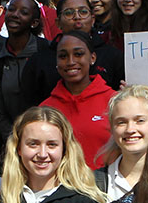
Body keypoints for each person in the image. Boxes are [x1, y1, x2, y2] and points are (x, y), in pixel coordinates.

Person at [21, 0, 125, 106]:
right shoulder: (39, 60)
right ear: (58, 23)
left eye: (83, 12)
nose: (77, 17)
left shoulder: (113, 56)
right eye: (69, 13)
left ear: (93, 19)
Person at [39, 31, 117, 168]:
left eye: (78, 54)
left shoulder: (114, 101)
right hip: (62, 186)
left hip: (107, 185)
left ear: (92, 58)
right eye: (63, 56)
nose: (70, 61)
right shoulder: (45, 109)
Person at [0, 0, 49, 140]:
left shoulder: (48, 51)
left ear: (34, 22)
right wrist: (14, 139)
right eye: (11, 10)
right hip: (12, 138)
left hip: (48, 134)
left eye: (23, 12)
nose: (15, 15)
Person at [93, 84, 148, 201]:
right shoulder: (94, 184)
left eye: (140, 120)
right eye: (121, 122)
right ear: (112, 128)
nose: (130, 129)